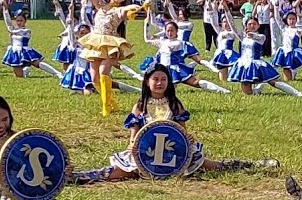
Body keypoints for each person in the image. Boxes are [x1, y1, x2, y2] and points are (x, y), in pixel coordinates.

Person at [70, 65, 278, 183]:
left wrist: (189, 140)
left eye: (163, 79)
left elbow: (181, 131)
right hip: (144, 153)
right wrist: (133, 145)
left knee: (211, 165)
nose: (159, 83)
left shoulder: (175, 104)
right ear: (147, 81)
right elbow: (134, 135)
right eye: (155, 79)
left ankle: (256, 164)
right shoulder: (140, 106)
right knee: (119, 172)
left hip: (173, 154)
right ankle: (75, 177)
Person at [78, 0, 144, 116]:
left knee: (103, 71)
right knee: (94, 79)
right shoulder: (100, 5)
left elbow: (130, 8)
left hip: (110, 44)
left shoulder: (120, 10)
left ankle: (106, 106)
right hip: (96, 41)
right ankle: (112, 103)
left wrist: (138, 7)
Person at [144, 18, 230, 93]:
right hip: (163, 71)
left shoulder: (181, 43)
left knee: (196, 82)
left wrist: (210, 67)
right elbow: (147, 39)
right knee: (157, 89)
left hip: (177, 70)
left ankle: (223, 91)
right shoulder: (162, 42)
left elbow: (195, 57)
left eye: (172, 30)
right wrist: (146, 25)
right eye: (168, 31)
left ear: (177, 31)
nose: (170, 33)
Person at [228, 16, 302, 96]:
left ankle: (297, 93)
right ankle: (257, 90)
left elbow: (257, 37)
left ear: (258, 26)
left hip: (256, 64)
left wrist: (252, 34)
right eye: (250, 24)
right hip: (244, 64)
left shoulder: (261, 37)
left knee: (273, 82)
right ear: (246, 26)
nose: (252, 26)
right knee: (247, 93)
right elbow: (232, 26)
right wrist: (227, 11)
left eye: (254, 24)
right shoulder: (242, 37)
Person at [0, 2, 62, 80]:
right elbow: (7, 21)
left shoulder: (27, 31)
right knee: (19, 75)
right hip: (15, 51)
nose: (19, 22)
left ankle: (57, 73)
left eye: (21, 20)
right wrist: (5, 8)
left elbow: (20, 32)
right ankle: (26, 70)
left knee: (37, 63)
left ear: (25, 21)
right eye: (17, 21)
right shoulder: (13, 29)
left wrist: (12, 32)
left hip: (25, 51)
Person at [271, 3, 302, 83]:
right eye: (290, 19)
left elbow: (298, 34)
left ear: (296, 20)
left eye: (293, 19)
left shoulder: (299, 30)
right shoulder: (284, 28)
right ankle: (292, 73)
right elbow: (277, 18)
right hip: (285, 51)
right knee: (287, 76)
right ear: (287, 20)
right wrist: (276, 7)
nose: (292, 21)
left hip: (295, 52)